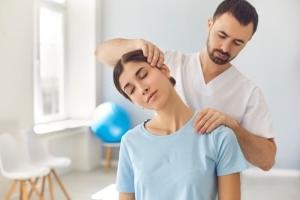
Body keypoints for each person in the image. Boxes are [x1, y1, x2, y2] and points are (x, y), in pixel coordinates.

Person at [95, 0, 276, 171]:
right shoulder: (168, 63)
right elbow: (101, 53)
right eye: (222, 35)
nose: (225, 48)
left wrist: (233, 127)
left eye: (237, 42)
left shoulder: (249, 93)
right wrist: (135, 44)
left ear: (247, 42)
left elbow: (267, 161)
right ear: (210, 24)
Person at [114, 49, 247, 200]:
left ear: (164, 70)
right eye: (131, 90)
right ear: (134, 102)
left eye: (143, 75)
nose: (142, 89)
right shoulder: (130, 142)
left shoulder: (219, 137)